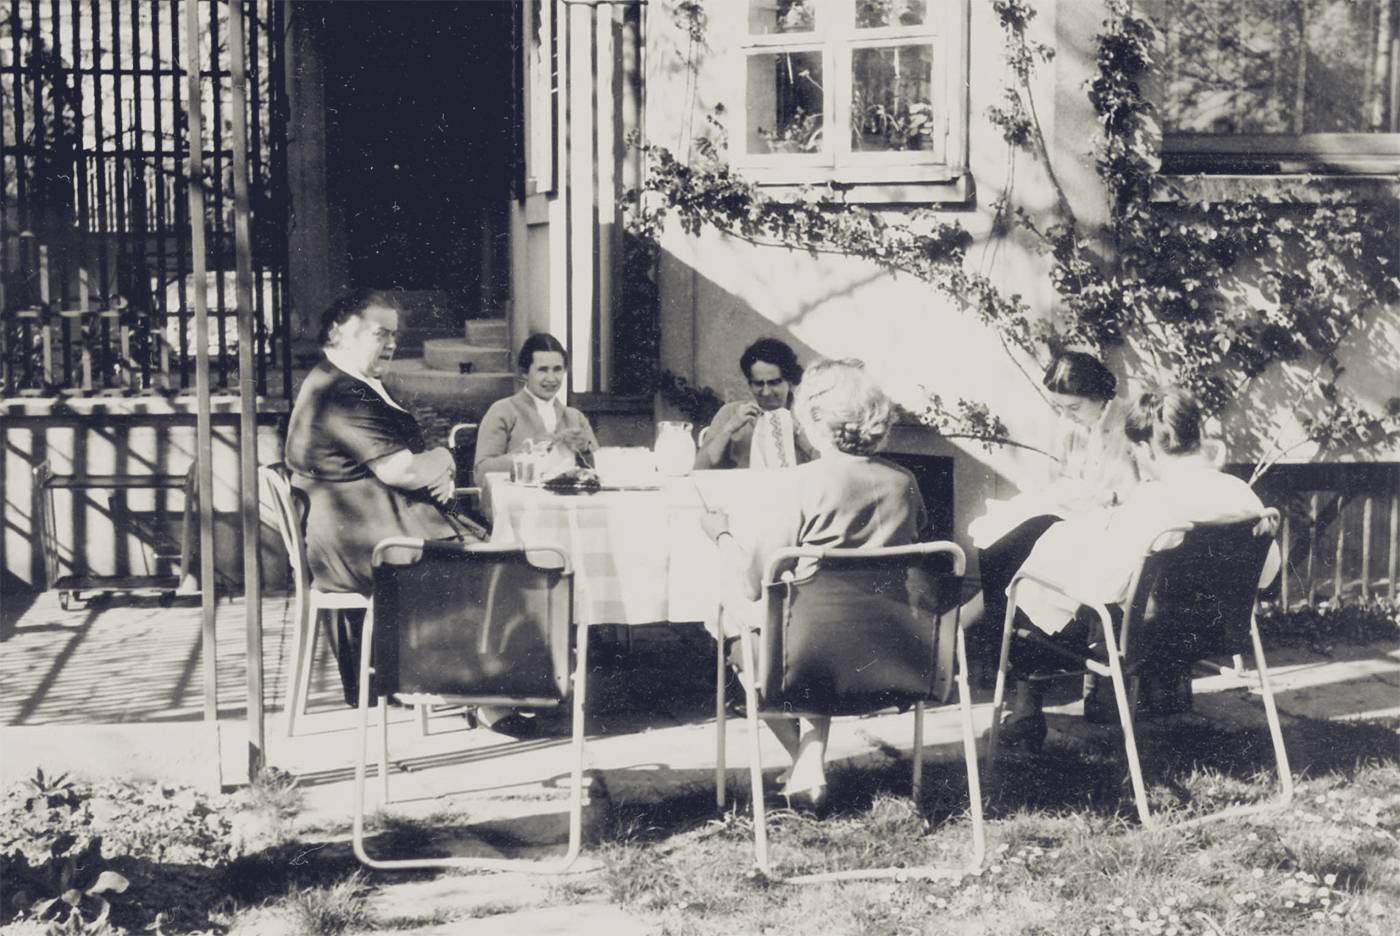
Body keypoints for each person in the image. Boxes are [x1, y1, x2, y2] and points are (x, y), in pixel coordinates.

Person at [992, 388, 1281, 749]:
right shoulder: (1242, 495)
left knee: (1037, 588)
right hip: (1220, 631)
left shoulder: (1154, 501)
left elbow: (1105, 587)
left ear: (1146, 449)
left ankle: (1026, 714)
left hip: (1151, 637)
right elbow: (1267, 578)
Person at [699, 359, 927, 812]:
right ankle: (808, 760)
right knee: (817, 619)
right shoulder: (906, 483)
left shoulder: (798, 484)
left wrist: (721, 534)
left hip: (808, 661)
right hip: (895, 661)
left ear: (815, 420)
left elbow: (753, 583)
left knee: (727, 618)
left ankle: (806, 758)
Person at [285, 290, 482, 705]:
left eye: (394, 334)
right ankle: (474, 691)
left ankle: (452, 683)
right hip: (362, 547)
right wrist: (443, 458)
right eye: (380, 333)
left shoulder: (343, 381)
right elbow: (402, 470)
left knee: (485, 547)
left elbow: (405, 467)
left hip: (361, 535)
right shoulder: (341, 392)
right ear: (340, 333)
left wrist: (434, 470)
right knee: (494, 561)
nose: (392, 343)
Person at [959, 351, 1139, 653]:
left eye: (1074, 407)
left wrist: (1102, 495)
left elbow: (1139, 491)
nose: (1067, 415)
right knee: (996, 537)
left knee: (1021, 542)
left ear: (1097, 395)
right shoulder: (1071, 424)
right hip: (1073, 513)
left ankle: (1002, 642)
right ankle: (998, 635)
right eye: (1060, 408)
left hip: (1110, 524)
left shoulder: (1129, 424)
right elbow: (1063, 476)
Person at [473, 333, 598, 484]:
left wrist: (585, 450)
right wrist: (528, 453)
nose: (551, 378)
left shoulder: (575, 417)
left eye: (557, 369)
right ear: (525, 373)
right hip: (517, 503)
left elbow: (598, 474)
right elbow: (481, 472)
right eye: (543, 370)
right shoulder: (503, 411)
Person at [694, 337, 818, 470]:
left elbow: (832, 469)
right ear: (749, 384)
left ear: (790, 380)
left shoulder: (809, 414)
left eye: (774, 382)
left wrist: (799, 434)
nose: (766, 392)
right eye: (758, 384)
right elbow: (699, 467)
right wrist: (729, 428)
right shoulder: (730, 412)